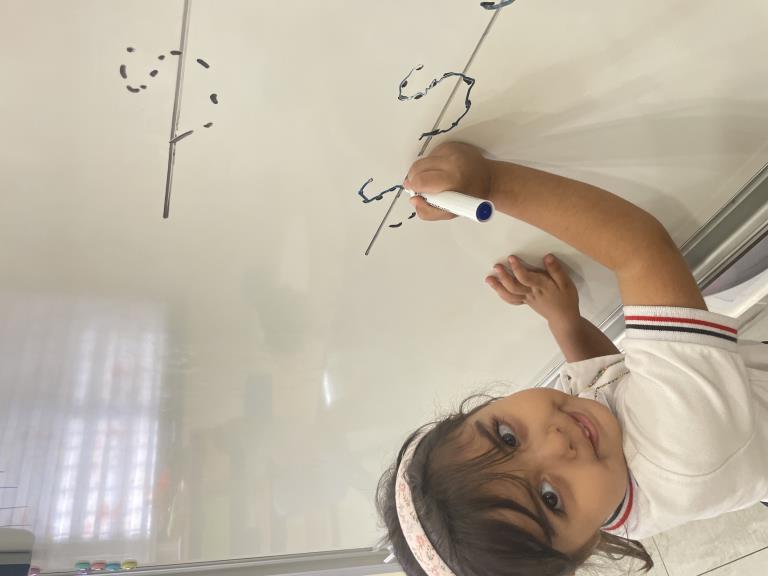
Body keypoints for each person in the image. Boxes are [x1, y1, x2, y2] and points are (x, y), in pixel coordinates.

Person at [375, 142, 768, 576]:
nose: (557, 442)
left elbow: (605, 381)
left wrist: (565, 323)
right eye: (549, 498)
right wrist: (492, 183)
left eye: (507, 437)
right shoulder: (684, 447)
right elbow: (640, 250)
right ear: (584, 549)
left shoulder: (600, 487)